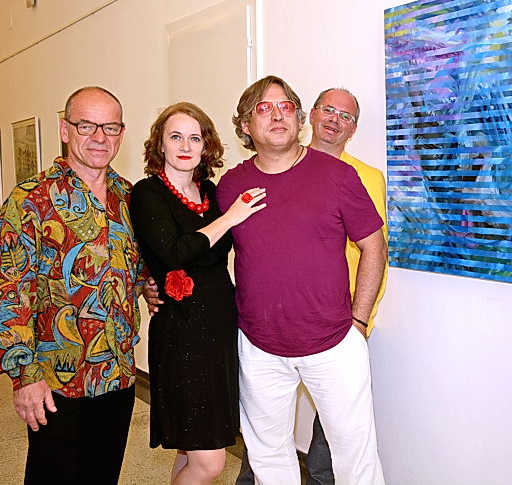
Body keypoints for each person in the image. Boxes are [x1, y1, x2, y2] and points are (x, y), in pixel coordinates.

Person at [218, 76, 387, 485]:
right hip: (259, 346)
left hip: (334, 342)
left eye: (286, 106)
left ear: (299, 119)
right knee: (268, 459)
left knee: (356, 461)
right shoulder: (230, 186)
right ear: (245, 125)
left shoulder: (338, 175)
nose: (277, 115)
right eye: (263, 108)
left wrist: (358, 322)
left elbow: (374, 248)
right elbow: (203, 252)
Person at [0, 86, 143, 484]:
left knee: (102, 475)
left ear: (121, 133)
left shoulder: (129, 198)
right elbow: (11, 291)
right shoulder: (30, 199)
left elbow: (137, 269)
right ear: (65, 129)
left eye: (110, 127)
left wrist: (156, 287)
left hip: (116, 371)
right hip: (55, 376)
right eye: (86, 125)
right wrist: (25, 377)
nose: (99, 137)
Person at [129, 102, 265, 484]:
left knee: (190, 449)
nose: (185, 146)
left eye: (195, 138)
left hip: (218, 328)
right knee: (210, 462)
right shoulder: (148, 193)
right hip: (182, 334)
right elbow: (174, 252)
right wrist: (230, 218)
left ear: (206, 146)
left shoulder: (210, 191)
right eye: (176, 137)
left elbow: (211, 252)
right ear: (160, 144)